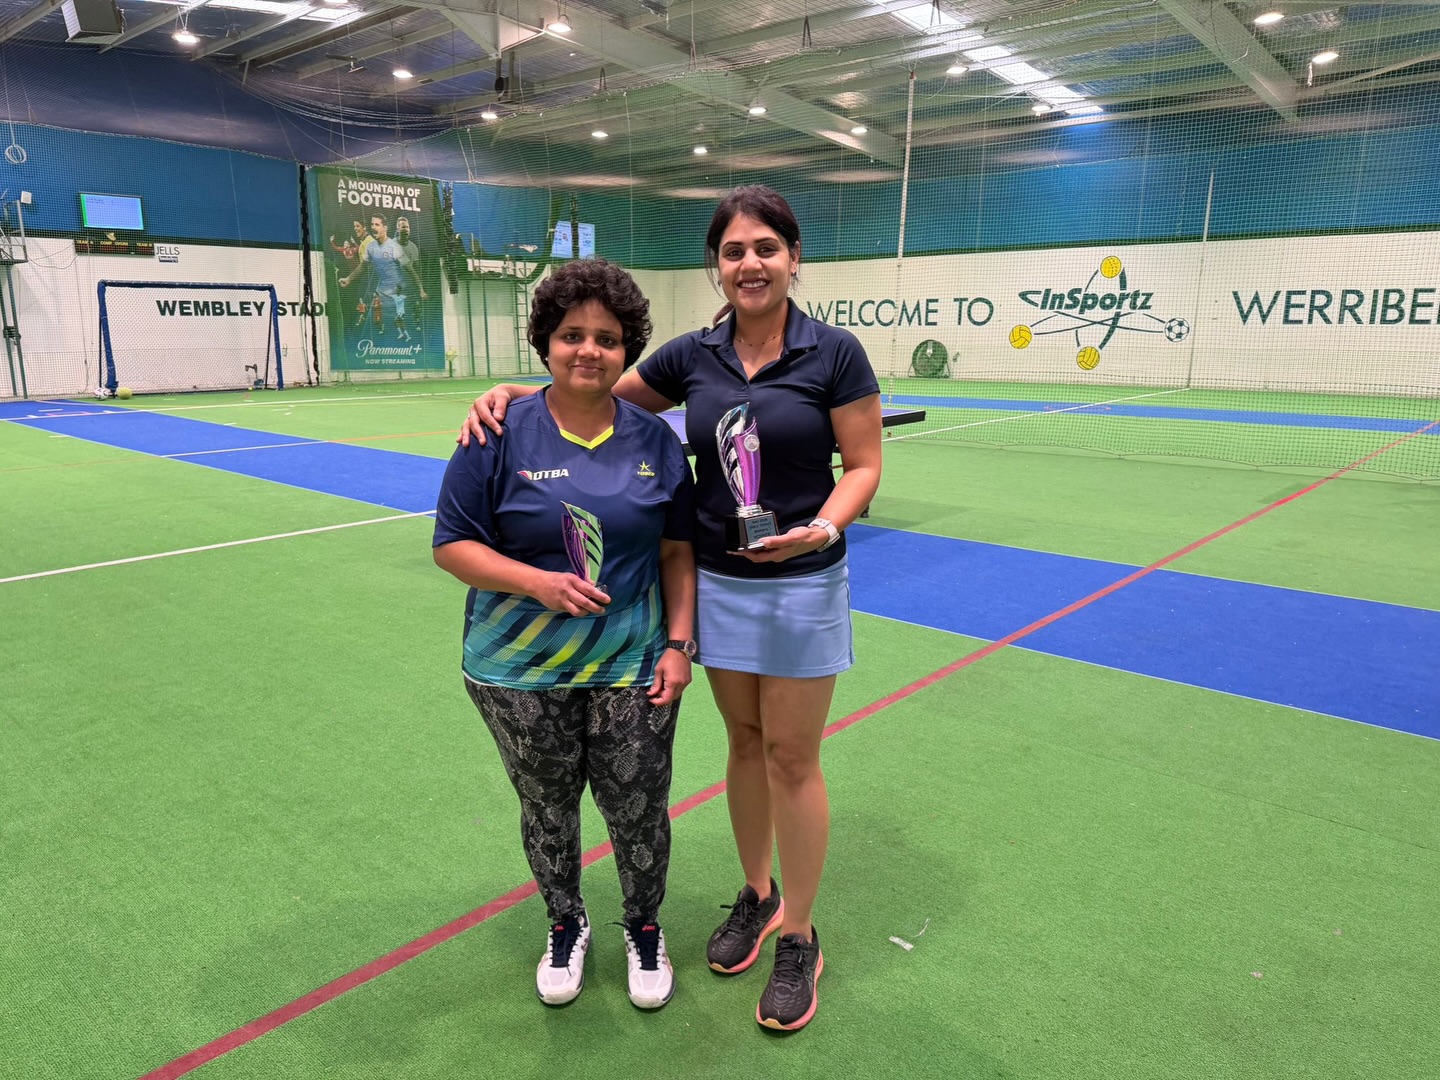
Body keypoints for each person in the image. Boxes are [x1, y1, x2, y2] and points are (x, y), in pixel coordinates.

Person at [458, 186, 883, 1031]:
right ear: (716, 265)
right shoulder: (693, 356)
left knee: (793, 757)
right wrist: (511, 393)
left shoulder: (835, 353)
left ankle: (799, 935)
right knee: (746, 743)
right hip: (718, 582)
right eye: (734, 251)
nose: (750, 264)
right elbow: (592, 388)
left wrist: (823, 528)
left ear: (793, 257)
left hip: (802, 583)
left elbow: (864, 464)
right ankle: (758, 894)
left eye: (766, 248)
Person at [433, 259, 697, 1011]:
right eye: (572, 334)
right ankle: (565, 921)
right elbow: (452, 545)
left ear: (627, 349)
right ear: (545, 342)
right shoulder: (495, 432)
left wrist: (679, 645)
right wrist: (535, 583)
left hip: (633, 662)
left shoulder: (655, 441)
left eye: (607, 339)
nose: (589, 350)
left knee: (638, 807)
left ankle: (643, 927)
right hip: (516, 668)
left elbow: (678, 554)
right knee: (547, 807)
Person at [340, 214, 426, 341]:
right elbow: (362, 266)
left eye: (377, 224)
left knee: (398, 334)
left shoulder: (394, 247)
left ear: (385, 228)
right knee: (379, 332)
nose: (373, 227)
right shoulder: (371, 247)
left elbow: (411, 270)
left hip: (396, 297)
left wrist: (421, 289)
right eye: (372, 224)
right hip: (380, 296)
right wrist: (348, 279)